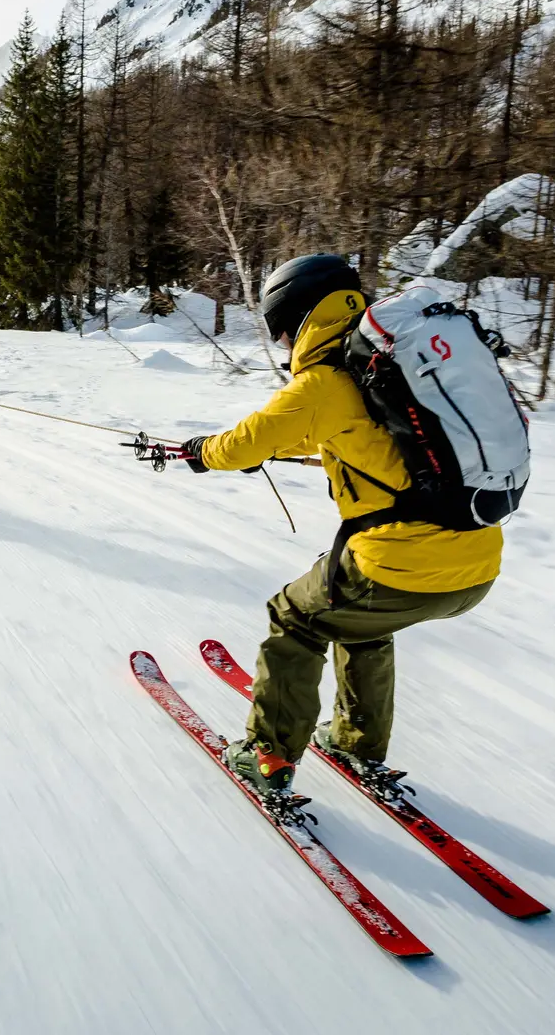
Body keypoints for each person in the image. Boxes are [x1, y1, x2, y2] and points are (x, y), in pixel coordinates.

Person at [178, 255, 502, 796]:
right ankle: (355, 741)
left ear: (296, 319)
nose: (284, 347)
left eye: (282, 334)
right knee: (361, 621)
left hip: (402, 567)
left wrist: (203, 452)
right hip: (478, 564)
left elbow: (246, 441)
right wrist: (281, 447)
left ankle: (268, 757)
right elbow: (351, 434)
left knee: (295, 615)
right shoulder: (386, 368)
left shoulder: (326, 382)